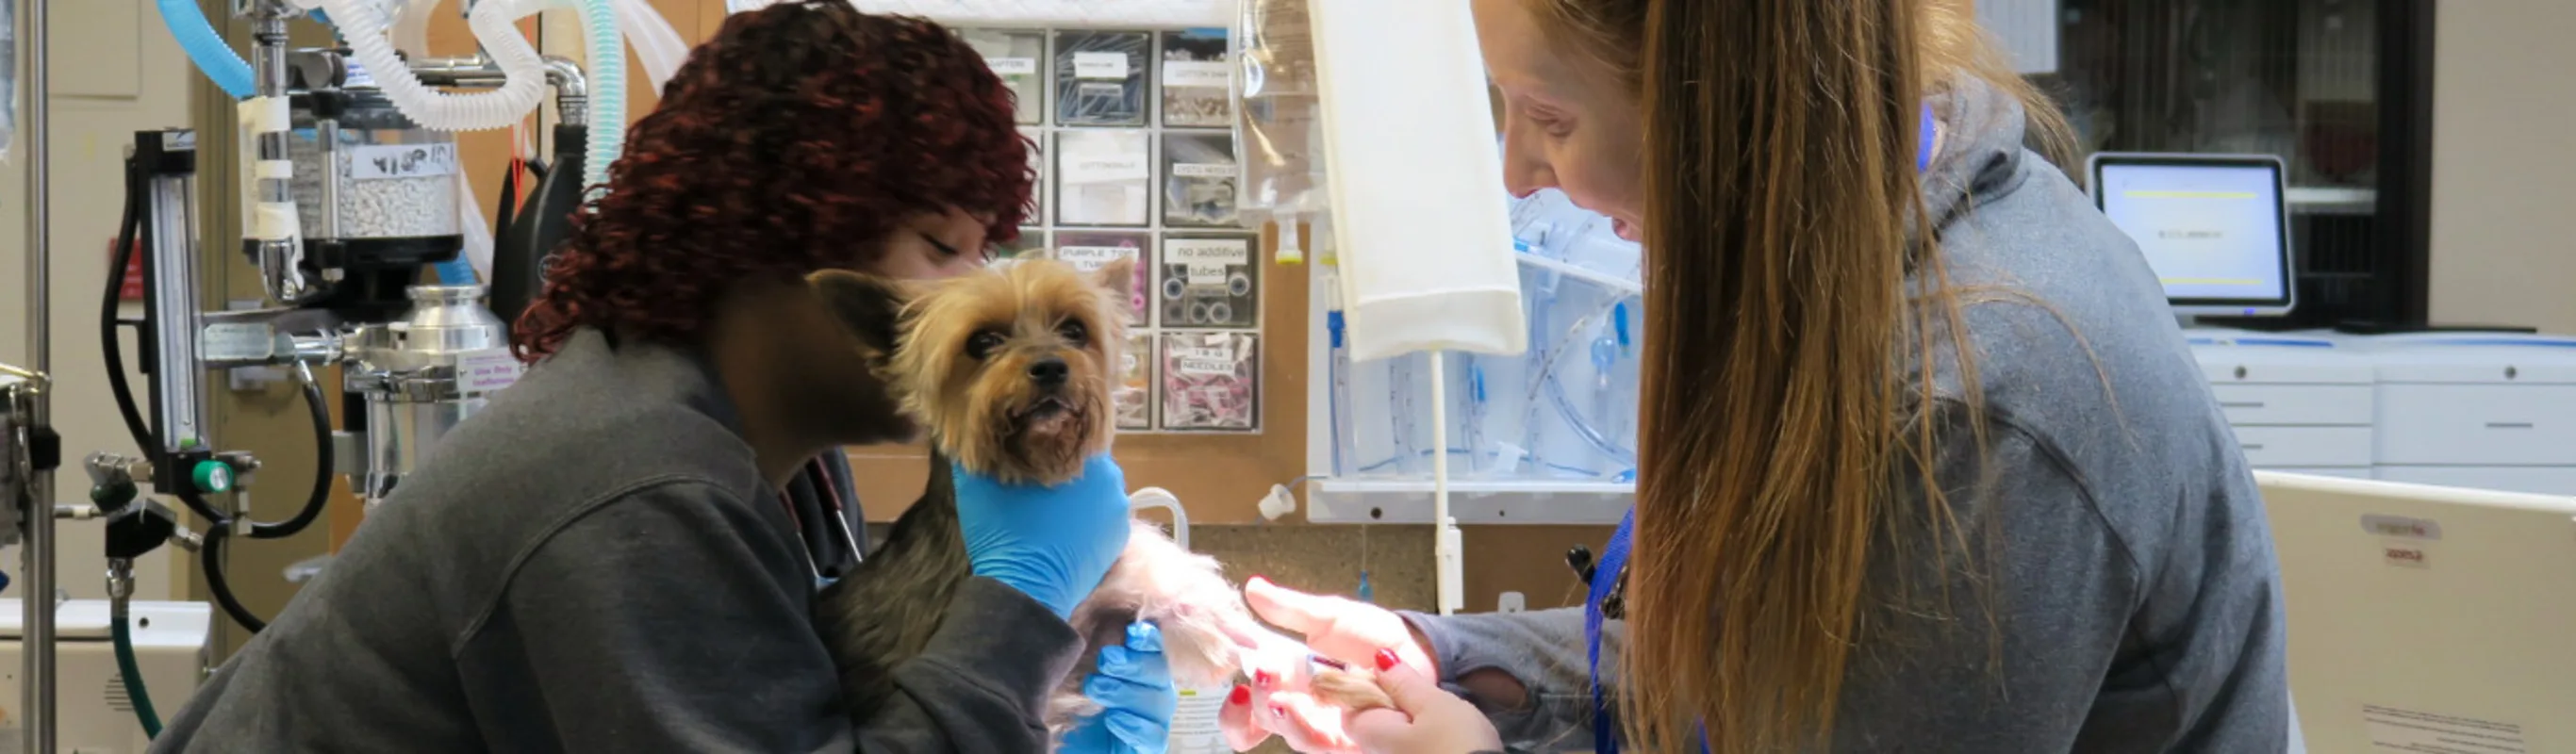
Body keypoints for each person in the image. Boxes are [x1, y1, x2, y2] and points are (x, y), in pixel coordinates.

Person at [1224, 1, 2289, 752]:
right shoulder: (1867, 230)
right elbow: (1761, 683)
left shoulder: (1980, 406)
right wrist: (1447, 658)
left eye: (1550, 118)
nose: (1517, 173)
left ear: (1729, 98)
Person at [149, 6, 1173, 751]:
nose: (975, 290)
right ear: (787, 243)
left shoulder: (771, 454)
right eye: (943, 246)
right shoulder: (637, 478)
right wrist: (1018, 610)